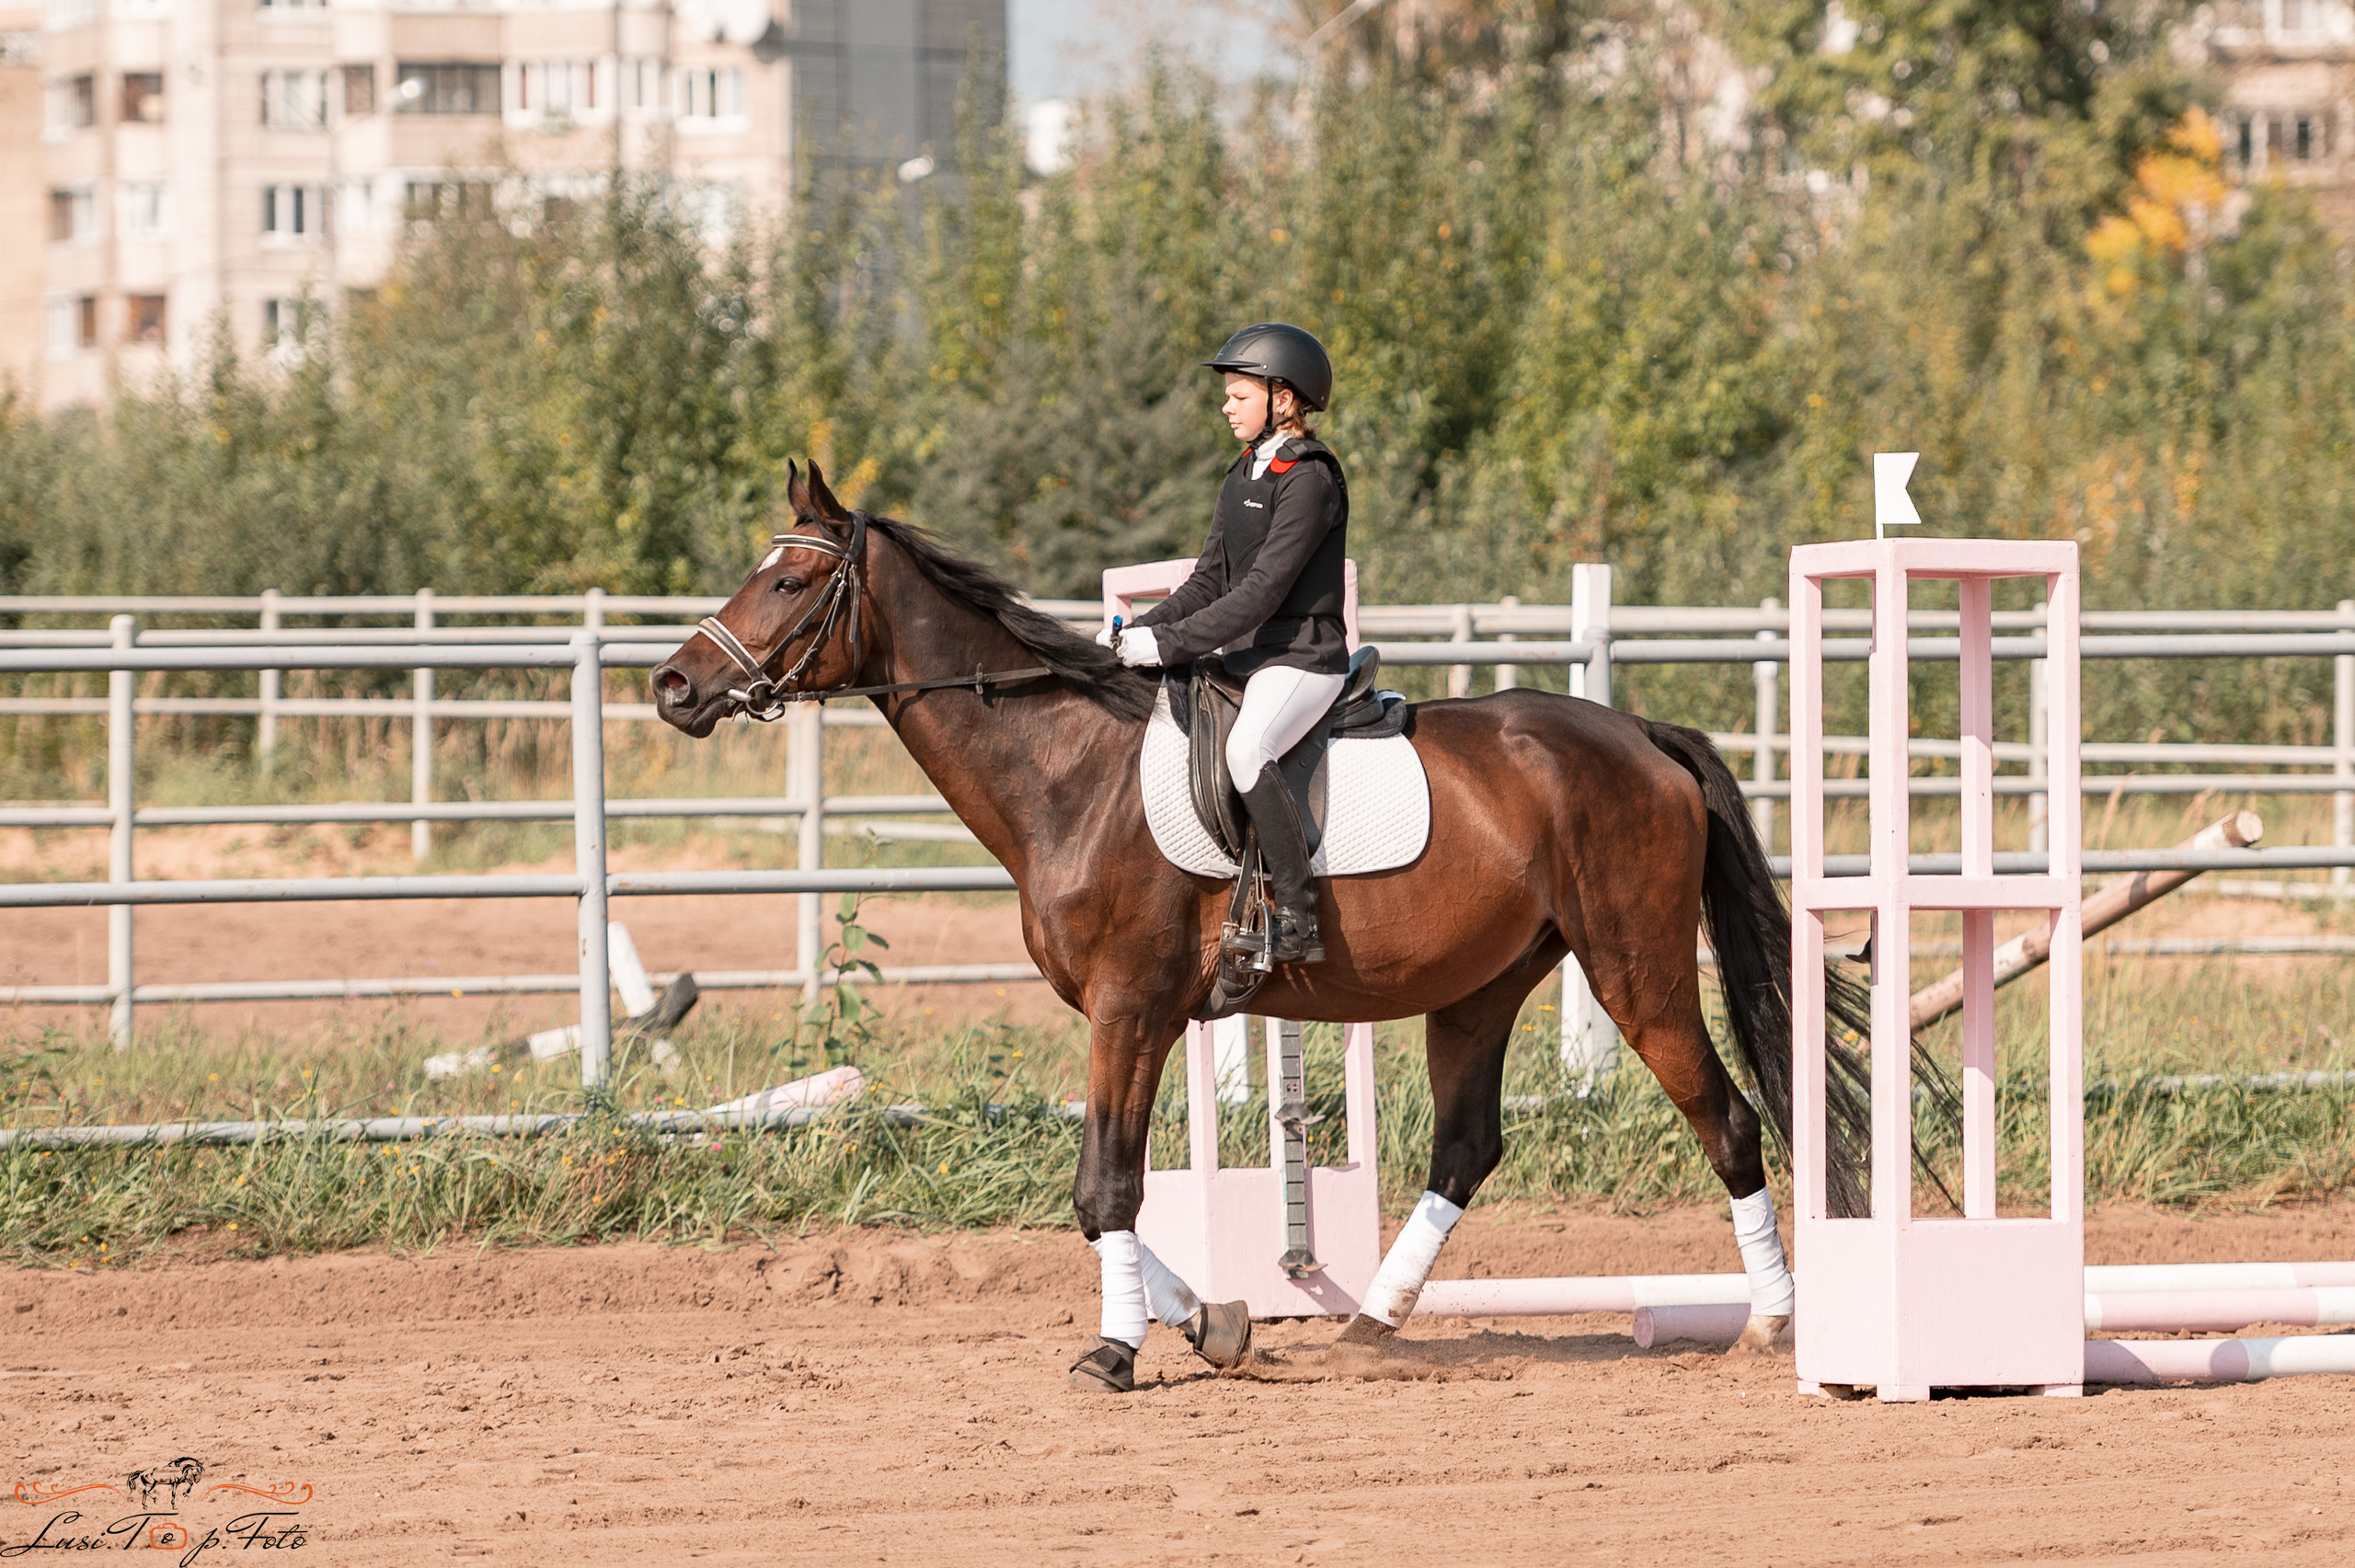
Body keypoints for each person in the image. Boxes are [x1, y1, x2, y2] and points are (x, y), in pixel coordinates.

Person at [1097, 322, 1349, 964]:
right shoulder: (1244, 473)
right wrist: (1141, 633)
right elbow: (1208, 578)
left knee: (1246, 749)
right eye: (1228, 395)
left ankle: (1297, 917)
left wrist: (1170, 646)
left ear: (1282, 398)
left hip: (1303, 656)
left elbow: (1261, 593)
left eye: (1239, 394)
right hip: (1256, 656)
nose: (1226, 405)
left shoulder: (1310, 478)